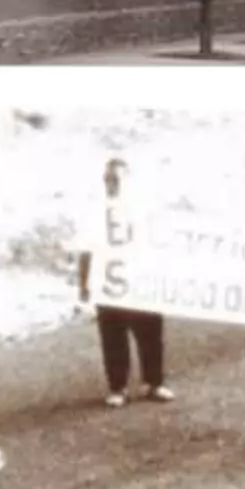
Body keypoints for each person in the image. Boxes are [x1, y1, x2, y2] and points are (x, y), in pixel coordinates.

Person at [73, 156, 175, 409]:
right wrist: (84, 284)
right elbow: (86, 250)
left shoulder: (143, 211)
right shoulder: (96, 212)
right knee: (113, 336)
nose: (112, 184)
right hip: (110, 283)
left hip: (140, 281)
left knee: (150, 333)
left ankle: (154, 383)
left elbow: (161, 245)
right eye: (107, 179)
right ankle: (117, 387)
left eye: (116, 178)